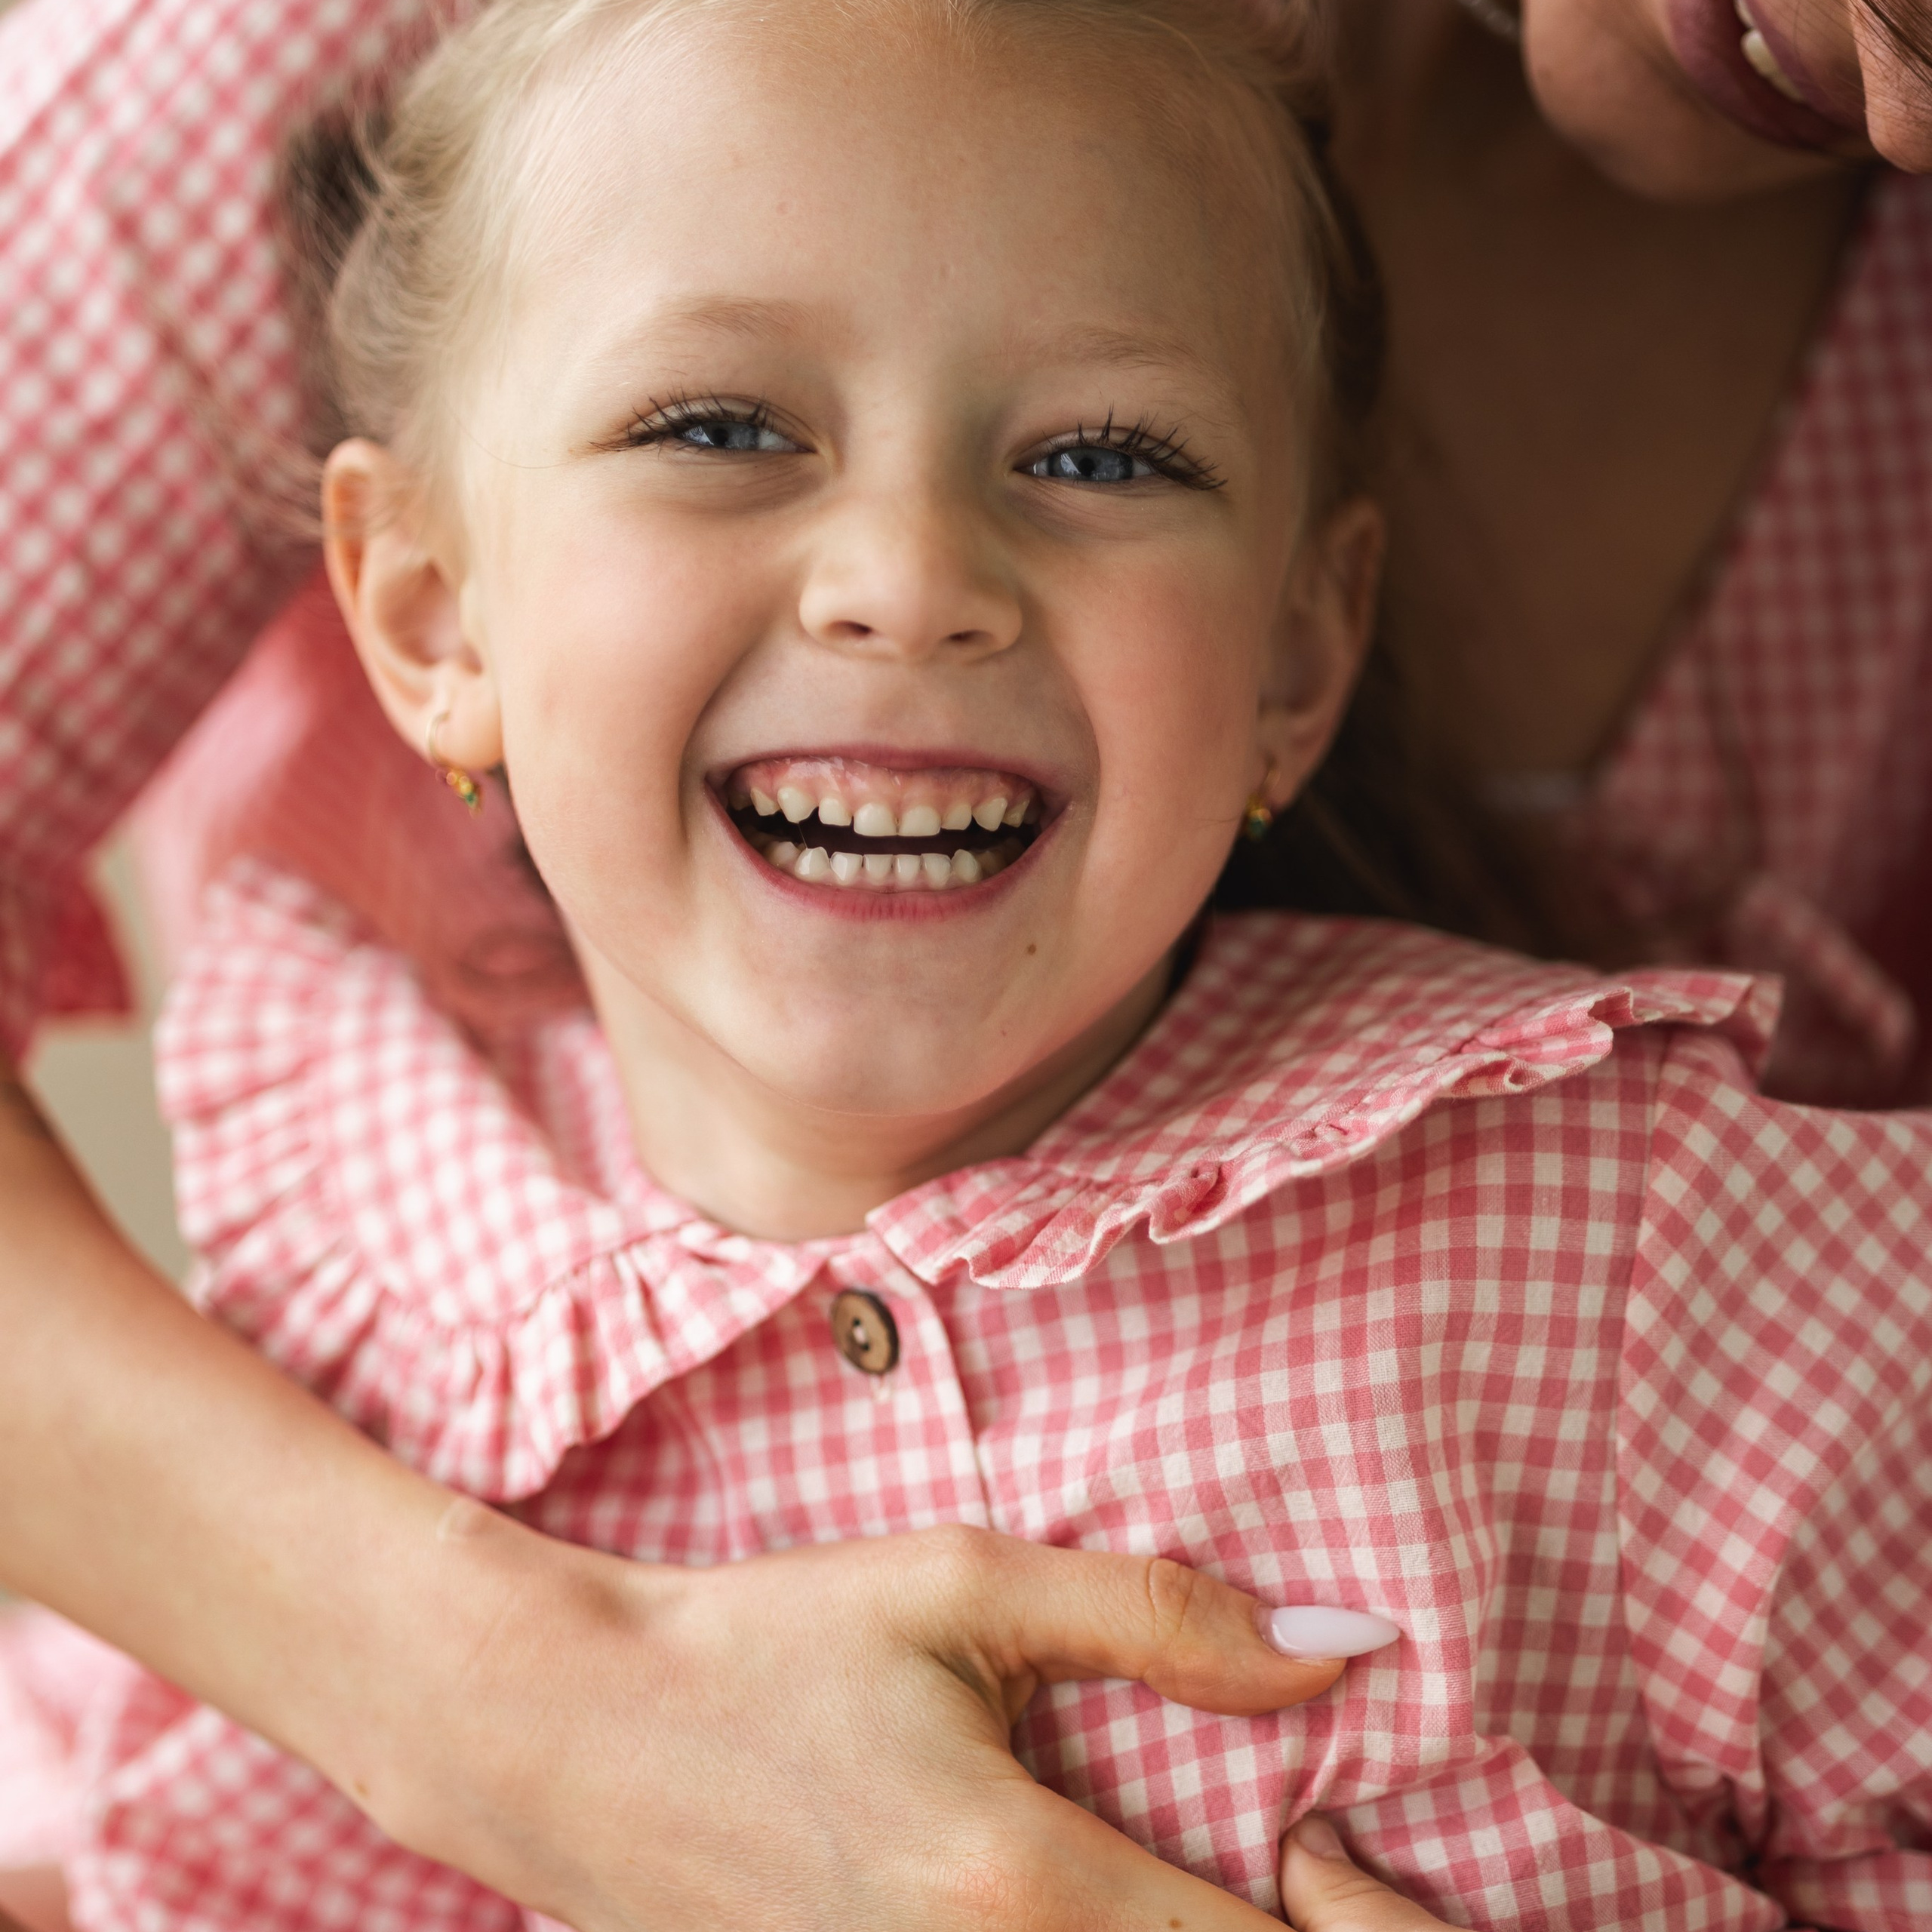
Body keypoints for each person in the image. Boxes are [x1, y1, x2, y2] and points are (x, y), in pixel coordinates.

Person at [1, 0, 1929, 1927]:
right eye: (720, 427)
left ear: (1292, 658)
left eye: (1100, 453)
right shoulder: (349, 1287)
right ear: (425, 613)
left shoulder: (1681, 1268)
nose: (910, 577)